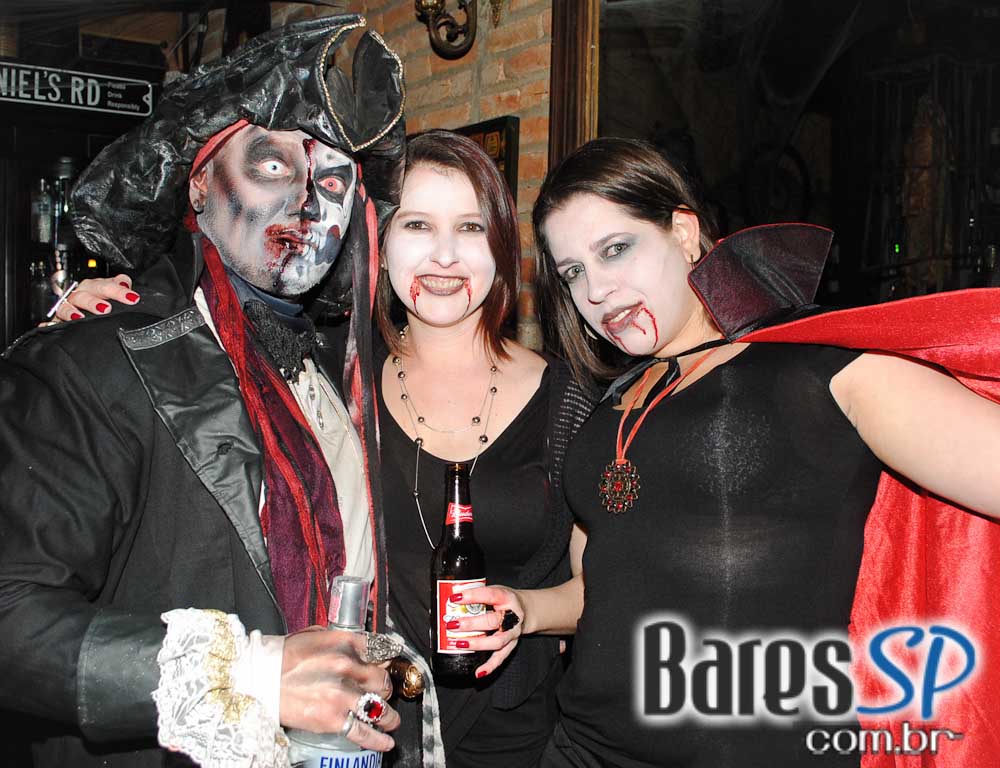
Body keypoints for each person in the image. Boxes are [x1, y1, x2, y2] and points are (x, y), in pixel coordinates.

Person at [58, 129, 596, 768]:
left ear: (502, 248)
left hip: (512, 737)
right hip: (360, 732)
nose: (445, 255)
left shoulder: (569, 399)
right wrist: (124, 314)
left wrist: (527, 610)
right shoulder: (329, 371)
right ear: (379, 241)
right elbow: (206, 348)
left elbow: (605, 586)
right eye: (418, 225)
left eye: (471, 227)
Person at [0, 15, 407, 767]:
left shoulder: (338, 374)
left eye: (332, 181)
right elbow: (12, 616)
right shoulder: (95, 364)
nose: (308, 204)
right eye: (274, 165)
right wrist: (250, 675)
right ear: (198, 181)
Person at [525, 137, 1000, 768]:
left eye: (616, 249)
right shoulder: (604, 411)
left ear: (684, 233)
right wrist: (526, 609)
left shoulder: (817, 367)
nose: (597, 291)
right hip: (580, 749)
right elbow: (600, 589)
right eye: (573, 272)